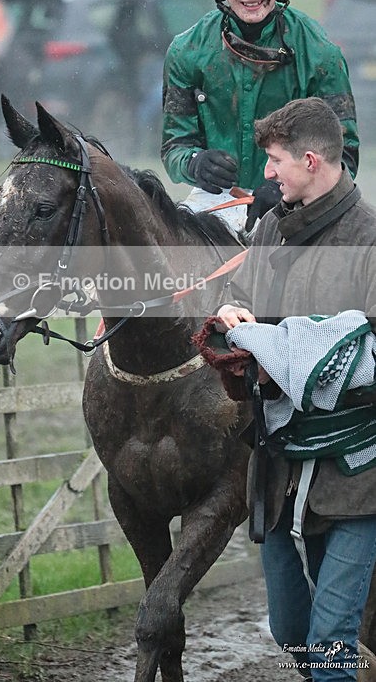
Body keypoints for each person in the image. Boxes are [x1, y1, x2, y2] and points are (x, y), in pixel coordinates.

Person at [215, 97, 376, 681]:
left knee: (330, 640)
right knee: (291, 632)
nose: (268, 173)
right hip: (278, 468)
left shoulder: (370, 239)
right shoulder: (270, 232)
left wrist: (292, 351)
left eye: (277, 160)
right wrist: (234, 321)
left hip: (357, 474)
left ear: (311, 159)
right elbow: (244, 306)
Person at [161, 0, 359, 234]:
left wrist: (288, 186)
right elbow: (174, 147)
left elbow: (345, 155)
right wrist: (195, 162)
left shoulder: (321, 54)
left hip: (300, 201)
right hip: (215, 201)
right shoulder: (185, 52)